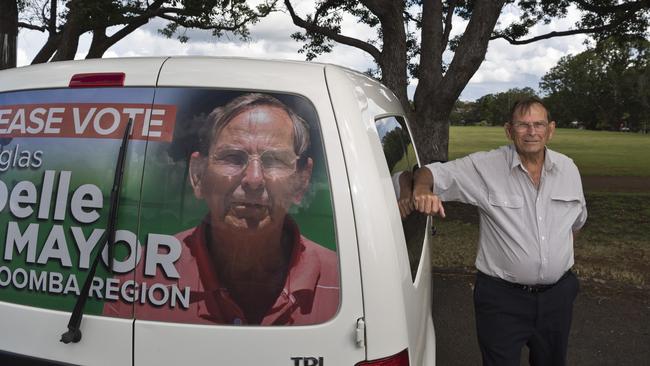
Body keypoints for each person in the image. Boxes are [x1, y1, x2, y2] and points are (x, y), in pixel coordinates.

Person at [104, 93, 339, 326]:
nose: (254, 179)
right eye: (233, 157)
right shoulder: (138, 275)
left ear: (302, 180)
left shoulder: (343, 280)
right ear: (197, 175)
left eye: (274, 160)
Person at [406, 97, 587, 366]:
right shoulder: (485, 167)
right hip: (503, 299)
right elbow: (429, 173)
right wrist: (421, 190)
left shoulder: (569, 169)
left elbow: (575, 224)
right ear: (509, 130)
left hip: (557, 298)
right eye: (523, 125)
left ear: (550, 129)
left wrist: (551, 264)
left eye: (538, 124)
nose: (532, 132)